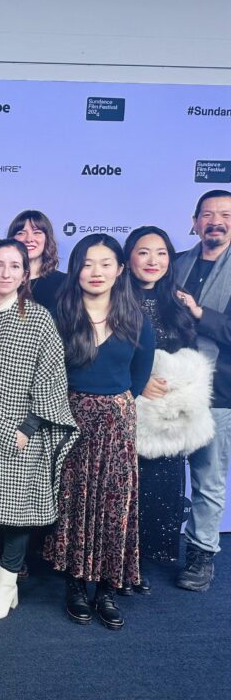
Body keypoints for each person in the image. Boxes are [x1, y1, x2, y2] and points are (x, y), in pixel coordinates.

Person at [0, 239, 77, 620]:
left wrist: (31, 424)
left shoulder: (38, 318)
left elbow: (51, 375)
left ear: (25, 274)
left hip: (18, 428)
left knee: (14, 509)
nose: (5, 273)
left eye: (14, 266)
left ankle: (7, 583)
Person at [43, 234, 155, 630]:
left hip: (119, 424)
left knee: (114, 505)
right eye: (88, 263)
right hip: (72, 419)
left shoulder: (135, 317)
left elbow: (139, 374)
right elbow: (50, 372)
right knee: (74, 502)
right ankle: (75, 585)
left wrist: (115, 405)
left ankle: (107, 588)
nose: (97, 272)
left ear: (120, 269)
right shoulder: (60, 313)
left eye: (106, 263)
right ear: (77, 269)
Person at [126, 227, 212, 574]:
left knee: (160, 492)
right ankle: (118, 562)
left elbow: (192, 356)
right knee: (124, 493)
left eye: (161, 253)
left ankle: (143, 562)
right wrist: (138, 382)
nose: (152, 260)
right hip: (128, 411)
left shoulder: (179, 301)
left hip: (167, 420)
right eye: (143, 252)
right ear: (128, 258)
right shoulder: (115, 300)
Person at [173, 189, 231, 591]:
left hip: (218, 393)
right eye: (207, 214)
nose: (215, 221)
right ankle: (149, 546)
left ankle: (201, 553)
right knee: (157, 474)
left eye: (225, 214)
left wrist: (199, 314)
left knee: (208, 478)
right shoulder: (174, 264)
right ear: (194, 222)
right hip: (168, 389)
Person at [7, 210, 66, 313]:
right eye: (21, 233)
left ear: (47, 239)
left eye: (37, 232)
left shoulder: (65, 283)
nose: (29, 239)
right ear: (11, 239)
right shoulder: (0, 281)